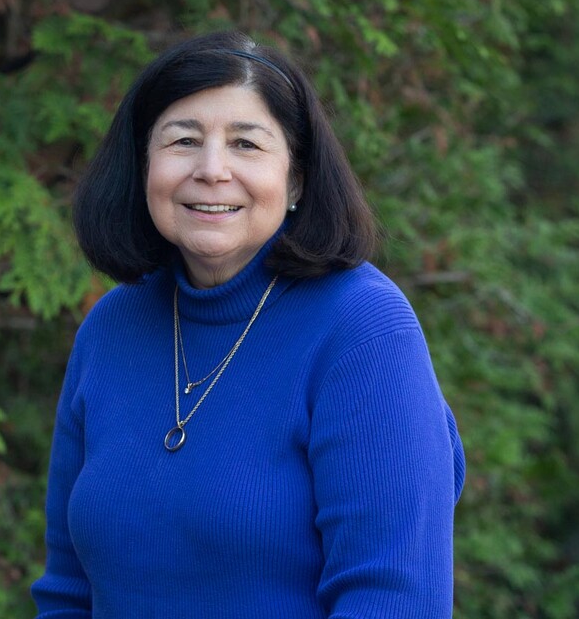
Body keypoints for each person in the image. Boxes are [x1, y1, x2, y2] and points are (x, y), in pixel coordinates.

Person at [30, 31, 466, 618]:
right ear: (143, 167)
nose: (211, 171)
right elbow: (67, 593)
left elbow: (393, 600)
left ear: (297, 180)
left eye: (246, 145)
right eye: (183, 140)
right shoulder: (112, 328)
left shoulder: (364, 330)